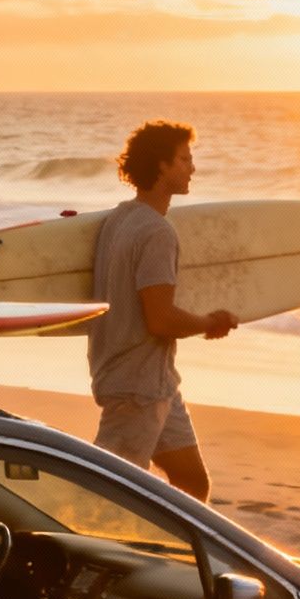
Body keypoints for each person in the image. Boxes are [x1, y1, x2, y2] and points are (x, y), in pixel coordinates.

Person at [88, 120, 237, 501]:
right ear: (161, 165)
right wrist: (209, 322)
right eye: (184, 159)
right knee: (106, 499)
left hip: (155, 381)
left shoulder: (116, 220)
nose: (192, 167)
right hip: (136, 386)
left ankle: (169, 558)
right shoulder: (157, 232)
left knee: (192, 484)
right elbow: (160, 318)